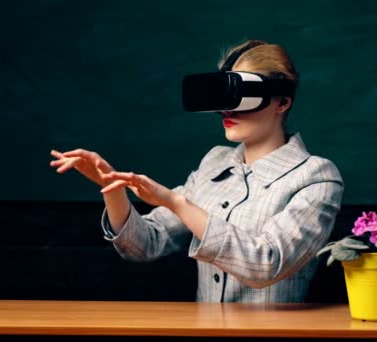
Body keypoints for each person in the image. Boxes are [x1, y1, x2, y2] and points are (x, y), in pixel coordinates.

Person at [50, 39, 344, 303]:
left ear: (282, 102)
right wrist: (112, 188)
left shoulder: (316, 178)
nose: (227, 111)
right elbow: (145, 245)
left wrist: (177, 203)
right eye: (222, 97)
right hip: (203, 333)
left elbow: (267, 263)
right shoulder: (215, 163)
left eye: (240, 96)